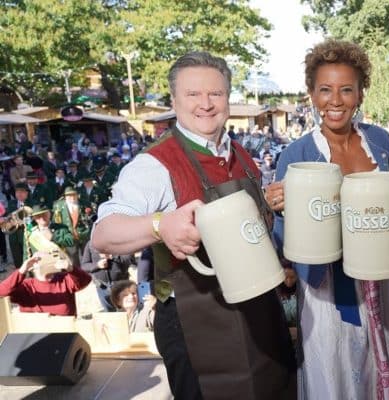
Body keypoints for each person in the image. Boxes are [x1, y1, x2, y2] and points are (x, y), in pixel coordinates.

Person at [92, 51, 295, 400]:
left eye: (215, 93)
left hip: (260, 314)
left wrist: (269, 206)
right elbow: (103, 234)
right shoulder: (153, 165)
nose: (206, 104)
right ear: (174, 100)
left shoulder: (241, 157)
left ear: (227, 99)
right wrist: (160, 224)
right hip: (197, 322)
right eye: (193, 94)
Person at [265, 39, 389, 400]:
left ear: (361, 94)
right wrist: (280, 209)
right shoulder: (296, 153)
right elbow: (286, 239)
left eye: (346, 89)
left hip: (383, 280)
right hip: (327, 290)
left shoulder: (380, 142)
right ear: (312, 94)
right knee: (338, 380)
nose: (336, 101)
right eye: (325, 90)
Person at [81, 241, 134, 311]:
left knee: (124, 312)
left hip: (120, 285)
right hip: (102, 287)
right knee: (109, 314)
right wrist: (97, 265)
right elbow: (84, 266)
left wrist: (112, 256)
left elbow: (129, 259)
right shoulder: (91, 243)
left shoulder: (121, 240)